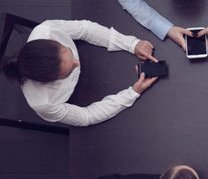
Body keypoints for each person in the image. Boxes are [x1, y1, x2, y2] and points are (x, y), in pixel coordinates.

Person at [0, 19, 158, 127]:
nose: (77, 62)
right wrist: (132, 93)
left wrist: (131, 44)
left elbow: (85, 29)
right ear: (50, 81)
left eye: (67, 51)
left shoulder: (46, 30)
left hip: (91, 54)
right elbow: (86, 116)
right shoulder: (43, 104)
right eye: (69, 70)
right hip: (76, 97)